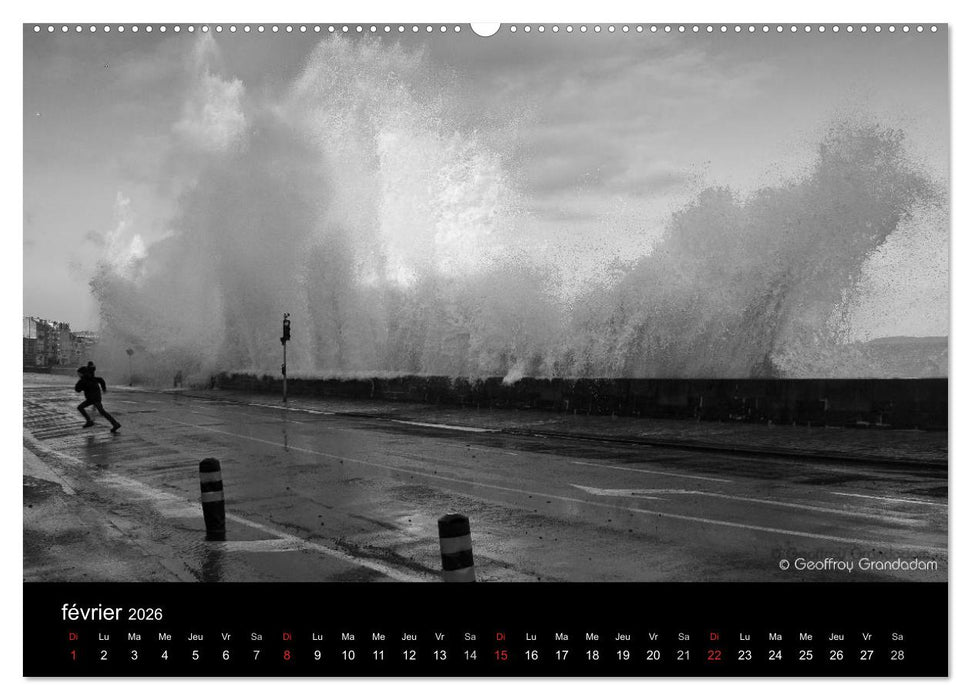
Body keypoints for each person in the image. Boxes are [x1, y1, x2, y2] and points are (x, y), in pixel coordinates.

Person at [75, 363, 121, 432]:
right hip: (94, 398)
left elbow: (77, 389)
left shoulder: (84, 380)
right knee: (82, 408)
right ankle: (90, 421)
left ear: (82, 373)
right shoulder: (91, 378)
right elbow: (101, 380)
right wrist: (104, 389)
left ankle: (115, 424)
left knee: (102, 411)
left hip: (94, 398)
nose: (78, 375)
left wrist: (80, 384)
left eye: (79, 373)